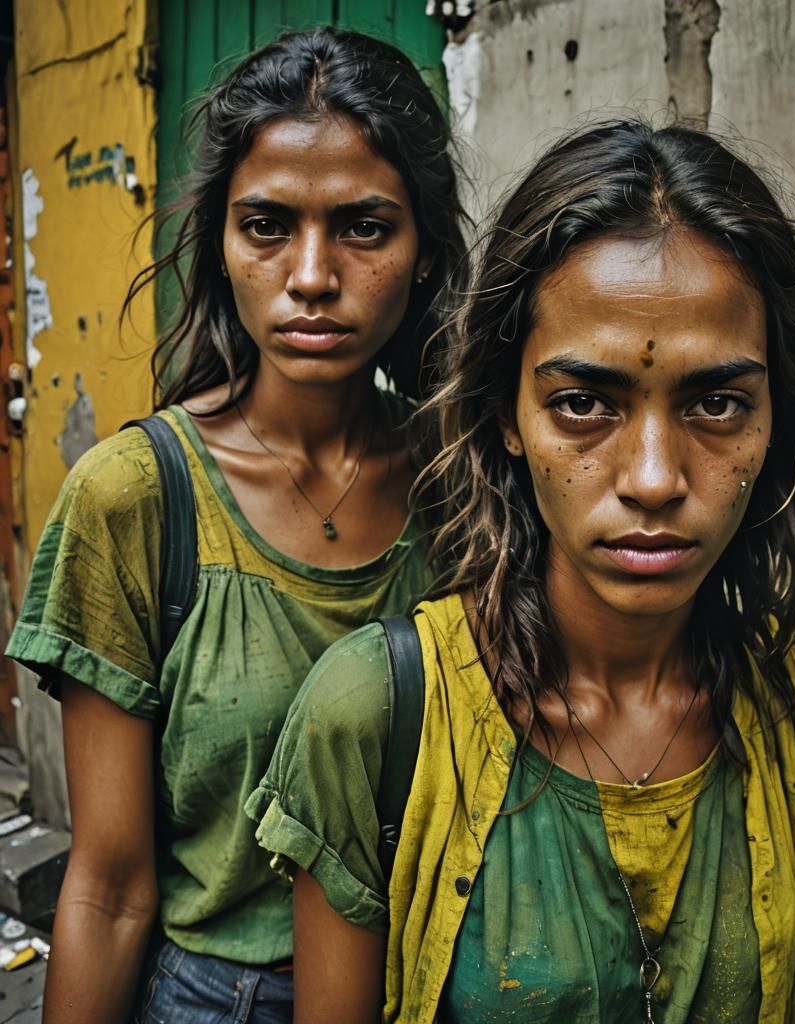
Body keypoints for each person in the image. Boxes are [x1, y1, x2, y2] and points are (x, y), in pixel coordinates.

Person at [249, 120, 795, 1023]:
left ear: (775, 418)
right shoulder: (374, 713)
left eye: (718, 402)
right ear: (506, 415)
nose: (653, 478)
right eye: (582, 405)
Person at [6, 26, 467, 1024]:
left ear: (424, 249)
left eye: (362, 227)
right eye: (266, 226)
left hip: (442, 985)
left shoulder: (467, 482)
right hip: (220, 998)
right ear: (220, 244)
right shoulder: (135, 497)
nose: (310, 274)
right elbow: (111, 884)